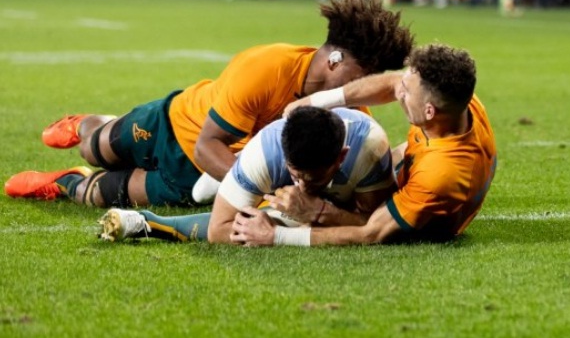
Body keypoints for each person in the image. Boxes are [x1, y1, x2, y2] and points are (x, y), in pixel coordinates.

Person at [4, 0, 414, 209]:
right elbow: (207, 144)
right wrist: (259, 191)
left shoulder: (346, 116)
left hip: (197, 175)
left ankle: (63, 182)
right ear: (335, 59)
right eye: (364, 76)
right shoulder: (267, 67)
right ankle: (82, 125)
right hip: (175, 124)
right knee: (95, 149)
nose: (363, 89)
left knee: (99, 194)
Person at [230, 43, 497, 246]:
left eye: (406, 92)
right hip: (417, 167)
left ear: (429, 111)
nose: (399, 91)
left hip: (421, 224)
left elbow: (371, 232)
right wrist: (316, 101)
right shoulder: (455, 101)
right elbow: (392, 84)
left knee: (338, 209)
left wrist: (279, 235)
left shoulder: (439, 174)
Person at [99, 106, 396, 243]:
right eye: (296, 175)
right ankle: (238, 178)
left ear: (341, 157)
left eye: (314, 178)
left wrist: (318, 212)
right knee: (206, 198)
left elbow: (375, 226)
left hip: (342, 195)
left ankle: (150, 222)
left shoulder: (368, 148)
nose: (303, 185)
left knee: (280, 219)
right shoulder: (266, 151)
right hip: (263, 170)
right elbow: (218, 231)